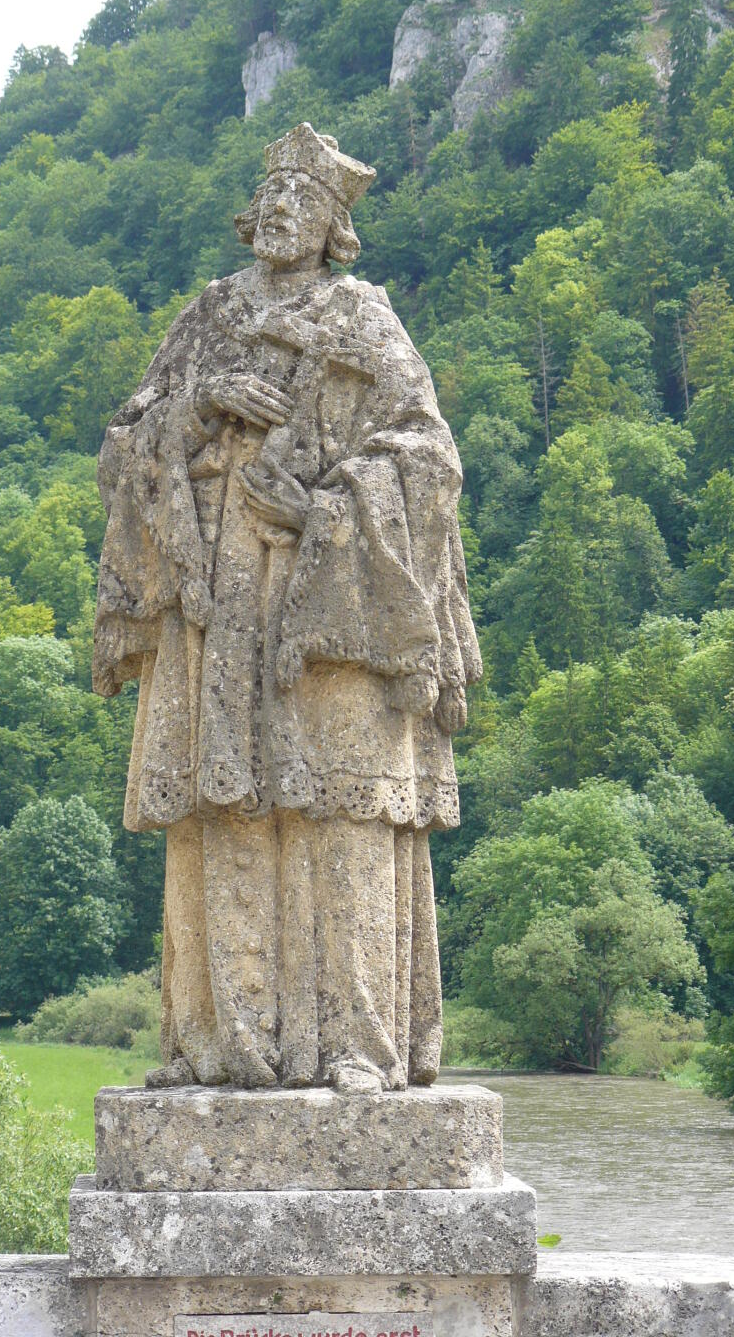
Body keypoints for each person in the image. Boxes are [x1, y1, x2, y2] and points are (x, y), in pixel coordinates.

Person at [93, 123, 481, 1093]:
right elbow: (125, 448)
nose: (278, 209)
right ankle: (221, 1043)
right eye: (267, 193)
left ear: (334, 226)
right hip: (214, 610)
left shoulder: (366, 321)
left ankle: (359, 1048)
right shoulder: (206, 319)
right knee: (223, 814)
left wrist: (324, 512)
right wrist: (190, 413)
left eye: (300, 198)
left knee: (345, 817)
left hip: (334, 613)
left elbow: (431, 461)